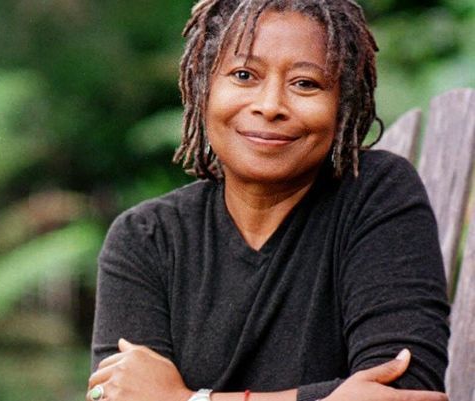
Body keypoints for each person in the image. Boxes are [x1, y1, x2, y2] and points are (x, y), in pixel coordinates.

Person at [87, 1, 450, 401]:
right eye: (244, 75)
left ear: (343, 103)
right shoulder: (148, 239)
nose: (271, 105)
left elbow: (405, 391)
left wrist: (186, 398)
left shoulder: (377, 196)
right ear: (202, 86)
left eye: (305, 83)